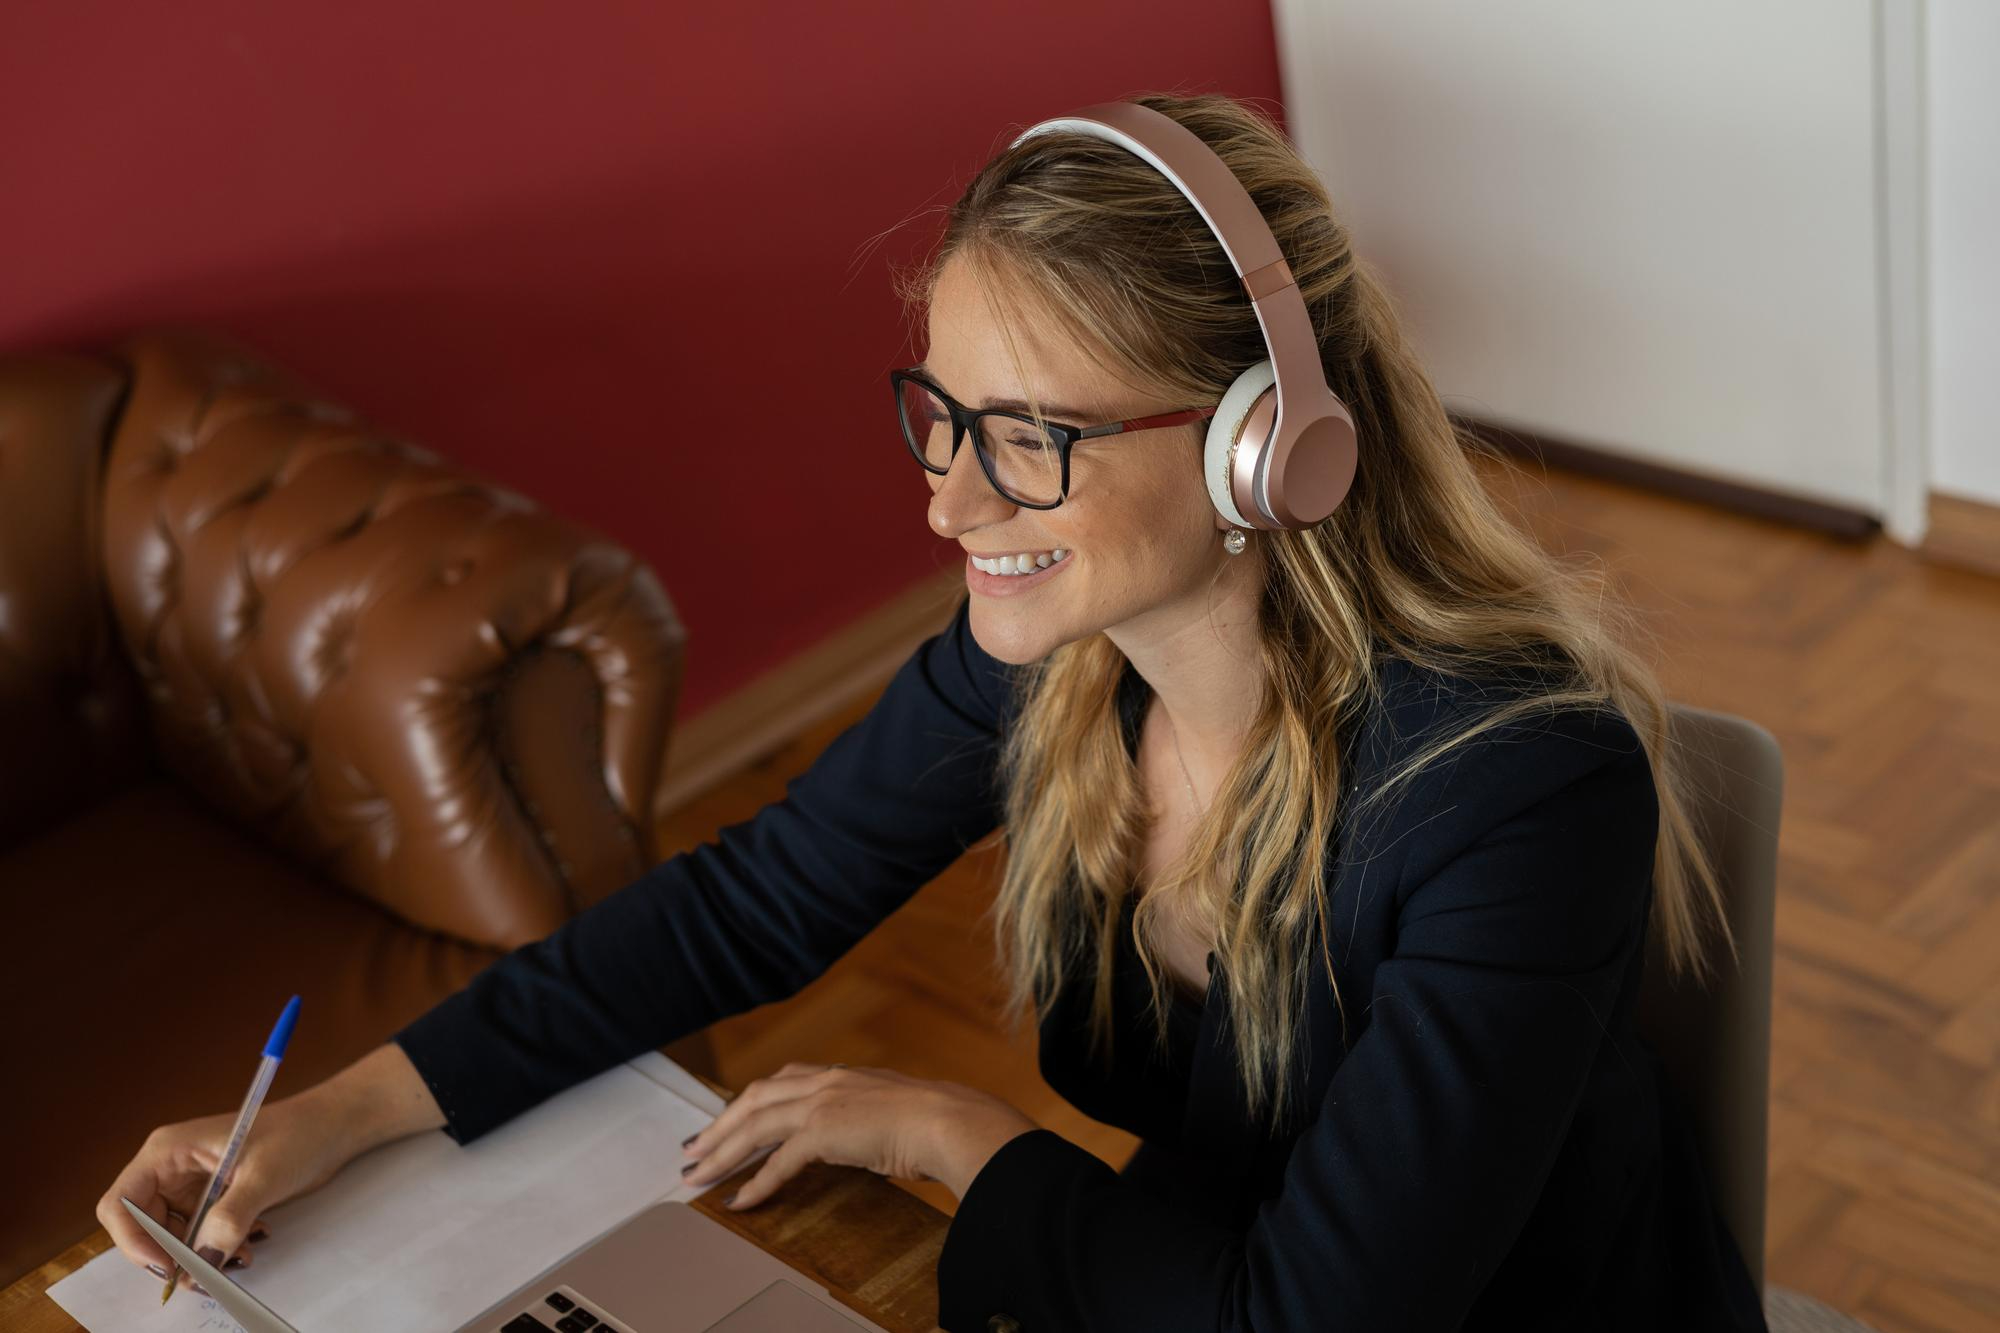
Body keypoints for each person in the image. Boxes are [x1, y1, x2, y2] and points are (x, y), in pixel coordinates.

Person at [97, 92, 1768, 1331]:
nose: (952, 508)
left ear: (1269, 443)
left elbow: (1312, 1322)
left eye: (1031, 436)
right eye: (943, 419)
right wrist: (337, 1115)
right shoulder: (1053, 668)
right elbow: (748, 901)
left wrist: (949, 1130)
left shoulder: (1521, 786)